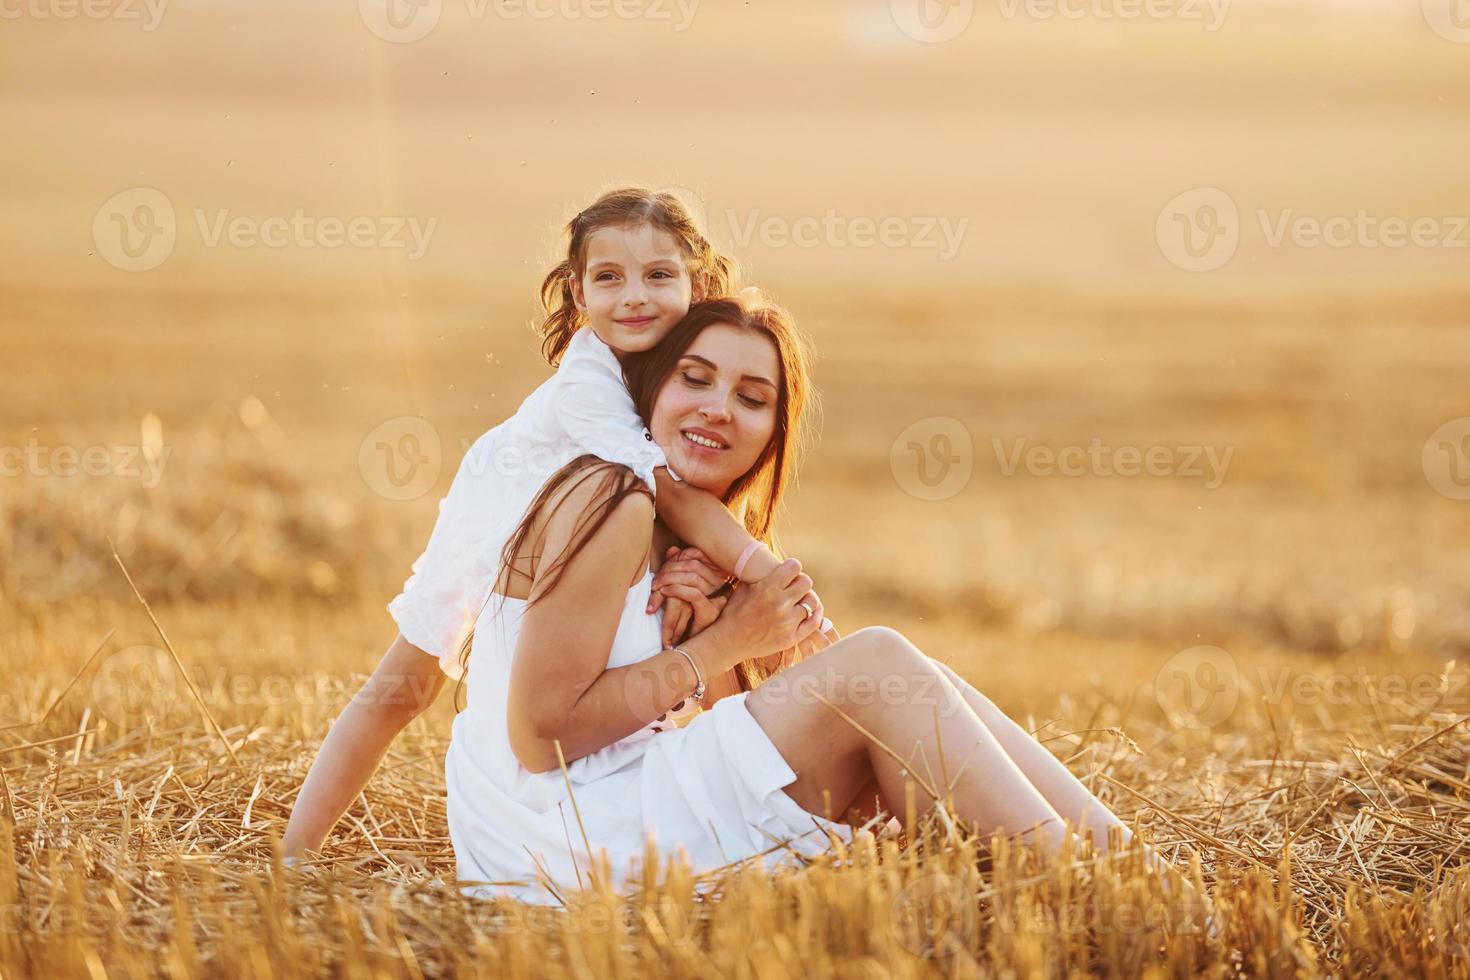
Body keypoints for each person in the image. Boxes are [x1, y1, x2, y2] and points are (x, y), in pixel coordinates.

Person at [438, 297, 1172, 904]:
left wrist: (714, 636)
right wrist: (721, 644)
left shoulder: (693, 536)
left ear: (771, 437)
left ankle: (1150, 887)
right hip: (556, 834)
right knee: (875, 664)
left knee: (918, 684)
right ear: (649, 392)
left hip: (616, 804)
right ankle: (1107, 899)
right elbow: (542, 738)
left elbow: (720, 727)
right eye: (694, 378)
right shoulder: (611, 499)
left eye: (751, 398)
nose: (719, 408)